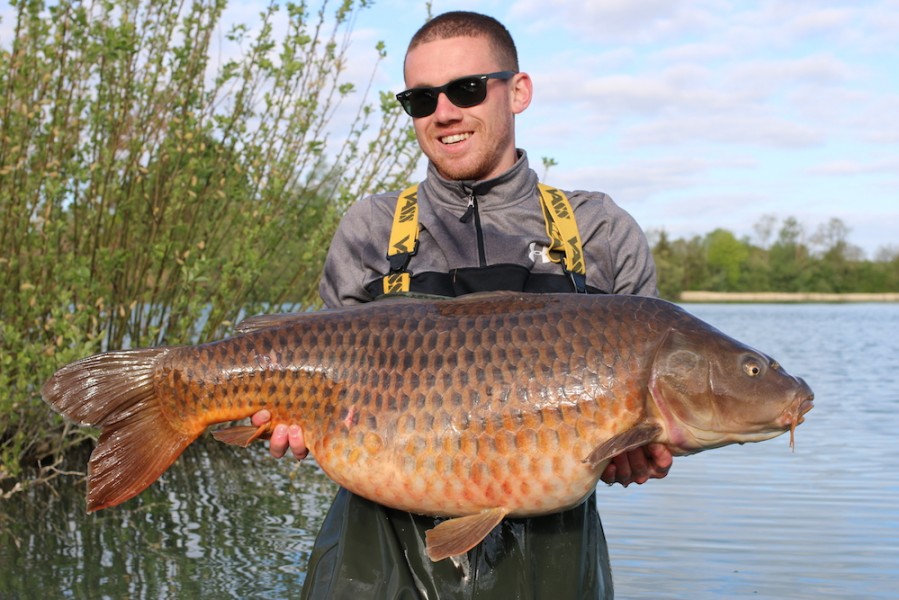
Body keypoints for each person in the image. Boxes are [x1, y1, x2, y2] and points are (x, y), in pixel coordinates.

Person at [251, 11, 673, 599]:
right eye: (421, 99)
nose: (443, 112)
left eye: (466, 89)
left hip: (551, 564)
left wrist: (636, 454)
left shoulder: (599, 230)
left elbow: (645, 423)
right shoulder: (371, 228)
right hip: (377, 563)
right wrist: (296, 425)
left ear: (518, 91)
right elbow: (319, 391)